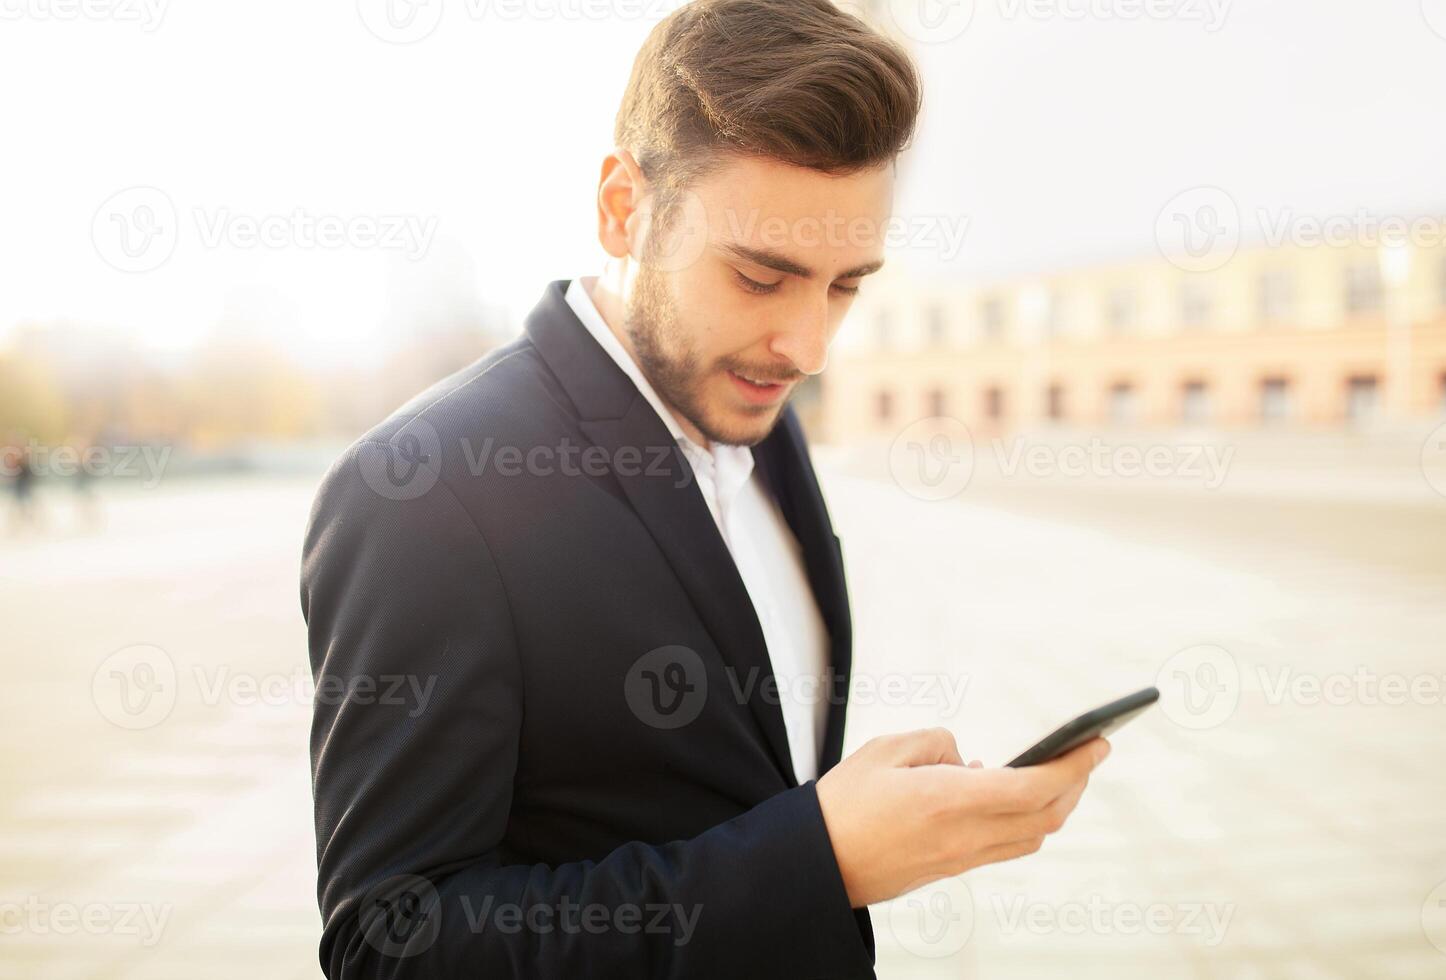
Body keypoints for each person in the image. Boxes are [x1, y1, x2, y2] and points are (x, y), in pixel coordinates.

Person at [301, 2, 1109, 977]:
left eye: (845, 285)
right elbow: (391, 944)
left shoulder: (762, 411)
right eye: (761, 276)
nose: (809, 346)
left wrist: (861, 830)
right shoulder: (428, 493)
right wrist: (820, 854)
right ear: (621, 208)